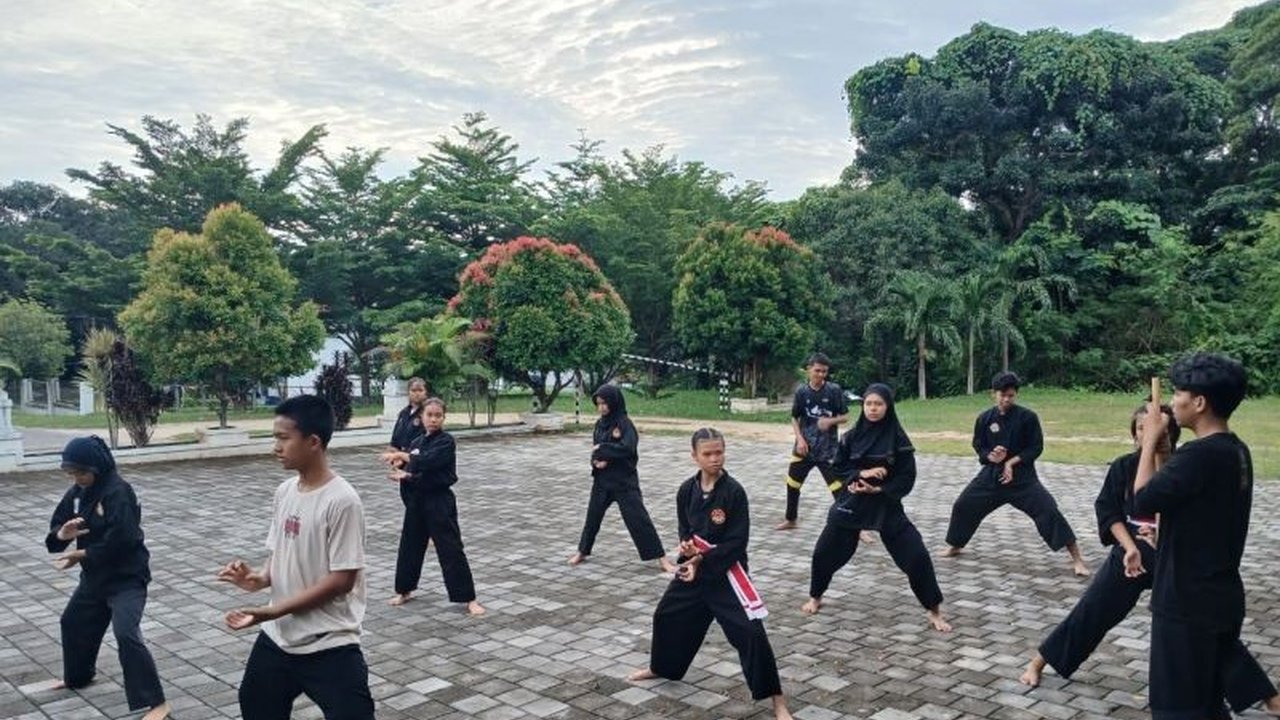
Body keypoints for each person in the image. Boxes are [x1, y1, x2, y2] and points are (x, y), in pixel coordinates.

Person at [1019, 402, 1279, 715]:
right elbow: (1110, 512)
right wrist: (1129, 546)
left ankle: (1265, 696)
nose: (1154, 434)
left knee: (1204, 626)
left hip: (1174, 560)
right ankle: (1040, 661)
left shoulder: (1185, 466)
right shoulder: (1124, 467)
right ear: (1135, 434)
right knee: (1093, 609)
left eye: (1161, 428)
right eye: (1142, 428)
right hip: (1130, 554)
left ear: (1173, 432)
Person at [217, 395, 374, 720]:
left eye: (283, 438)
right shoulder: (285, 491)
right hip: (278, 637)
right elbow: (279, 552)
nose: (275, 447)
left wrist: (272, 610)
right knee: (256, 704)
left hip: (328, 641)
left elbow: (342, 581)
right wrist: (258, 578)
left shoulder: (342, 501)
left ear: (313, 441)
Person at [628, 428, 793, 719]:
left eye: (719, 452)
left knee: (751, 634)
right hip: (694, 572)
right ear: (694, 457)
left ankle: (778, 702)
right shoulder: (686, 490)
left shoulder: (734, 492)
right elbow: (685, 529)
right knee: (665, 615)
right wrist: (687, 547)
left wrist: (701, 558)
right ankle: (661, 667)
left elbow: (737, 542)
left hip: (726, 574)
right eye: (708, 454)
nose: (715, 458)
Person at [1133, 352, 1255, 720]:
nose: (1172, 402)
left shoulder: (1199, 456)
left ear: (1199, 403)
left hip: (1185, 603)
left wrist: (1151, 440)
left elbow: (1142, 499)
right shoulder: (1236, 451)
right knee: (1206, 703)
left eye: (1179, 393)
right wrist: (1166, 455)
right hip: (1220, 596)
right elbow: (1182, 501)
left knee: (1178, 708)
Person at [801, 384, 951, 632]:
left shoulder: (898, 439)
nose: (872, 408)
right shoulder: (851, 436)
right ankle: (816, 596)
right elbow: (838, 467)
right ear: (863, 406)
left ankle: (934, 610)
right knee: (823, 554)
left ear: (887, 407)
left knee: (917, 557)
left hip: (886, 506)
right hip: (852, 504)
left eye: (878, 404)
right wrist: (862, 473)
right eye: (869, 403)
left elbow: (907, 478)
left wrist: (879, 489)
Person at [45, 435, 170, 720]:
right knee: (73, 622)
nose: (77, 478)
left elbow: (124, 539)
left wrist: (83, 554)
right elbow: (57, 529)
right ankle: (78, 676)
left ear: (97, 467)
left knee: (126, 633)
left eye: (81, 472)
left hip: (127, 580)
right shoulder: (77, 492)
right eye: (71, 473)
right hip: (95, 580)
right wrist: (61, 535)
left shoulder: (118, 491)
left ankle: (157, 703)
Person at [941, 371, 1089, 576]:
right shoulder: (985, 418)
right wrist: (991, 456)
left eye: (1010, 395)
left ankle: (1077, 559)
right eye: (1002, 395)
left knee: (1049, 511)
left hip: (1023, 480)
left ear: (1015, 394)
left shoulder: (1028, 417)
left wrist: (1011, 461)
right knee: (963, 505)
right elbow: (978, 445)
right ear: (993, 393)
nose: (1006, 399)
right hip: (991, 477)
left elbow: (1036, 447)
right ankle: (955, 545)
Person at [380, 397, 485, 615]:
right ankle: (404, 590)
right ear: (422, 417)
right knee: (410, 546)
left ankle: (468, 598)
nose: (434, 419)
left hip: (439, 502)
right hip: (417, 502)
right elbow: (414, 471)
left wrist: (403, 456)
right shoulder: (416, 443)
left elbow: (429, 461)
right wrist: (403, 472)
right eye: (429, 415)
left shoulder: (446, 441)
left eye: (438, 415)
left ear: (443, 418)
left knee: (451, 548)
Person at [568, 384, 676, 572]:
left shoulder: (625, 424)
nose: (601, 408)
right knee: (592, 517)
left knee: (639, 520)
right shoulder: (600, 424)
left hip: (624, 482)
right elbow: (595, 449)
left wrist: (603, 451)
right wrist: (596, 462)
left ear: (614, 403)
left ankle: (662, 559)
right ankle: (583, 551)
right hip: (602, 481)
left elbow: (628, 448)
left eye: (605, 403)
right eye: (598, 404)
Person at [777, 352, 849, 530]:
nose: (821, 375)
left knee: (839, 489)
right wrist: (799, 439)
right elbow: (795, 417)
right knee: (792, 484)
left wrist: (830, 421)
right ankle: (791, 519)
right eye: (818, 371)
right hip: (804, 448)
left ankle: (856, 526)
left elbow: (845, 416)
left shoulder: (834, 390)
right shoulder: (802, 392)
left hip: (829, 450)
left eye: (825, 372)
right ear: (809, 369)